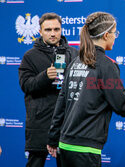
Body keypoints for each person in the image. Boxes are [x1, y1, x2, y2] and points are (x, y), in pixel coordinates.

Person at [47, 12, 125, 167]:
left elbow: (61, 103)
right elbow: (121, 104)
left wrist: (53, 138)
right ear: (106, 35)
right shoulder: (107, 65)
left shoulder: (75, 62)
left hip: (64, 145)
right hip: (86, 149)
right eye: (115, 33)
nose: (116, 37)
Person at [18, 13, 78, 167]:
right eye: (48, 29)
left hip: (67, 122)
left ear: (61, 30)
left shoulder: (73, 54)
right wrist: (45, 76)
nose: (53, 33)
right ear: (40, 32)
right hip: (40, 122)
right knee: (35, 163)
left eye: (56, 29)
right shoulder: (30, 56)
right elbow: (26, 85)